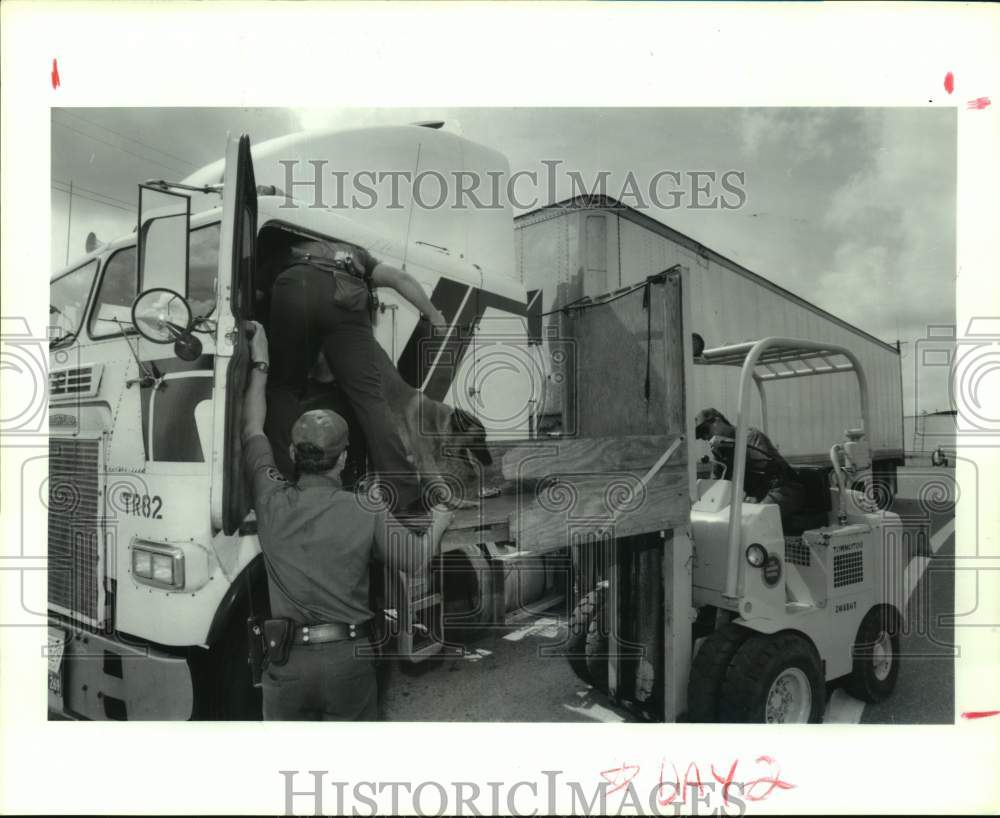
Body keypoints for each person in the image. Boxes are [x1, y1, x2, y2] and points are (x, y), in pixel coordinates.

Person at [242, 321, 453, 720]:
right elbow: (416, 559)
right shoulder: (366, 510)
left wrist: (261, 362)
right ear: (341, 460)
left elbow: (252, 425)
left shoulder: (269, 497)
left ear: (291, 450)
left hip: (286, 665)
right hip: (349, 664)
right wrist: (440, 518)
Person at [265, 235, 447, 521]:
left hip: (296, 285)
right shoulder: (357, 254)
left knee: (283, 388)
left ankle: (286, 484)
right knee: (370, 399)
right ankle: (406, 496)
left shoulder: (290, 241)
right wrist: (434, 314)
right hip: (348, 294)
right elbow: (401, 278)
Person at [695, 407, 805, 523]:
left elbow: (764, 466)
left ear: (717, 421)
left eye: (705, 431)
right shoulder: (719, 449)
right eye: (702, 436)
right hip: (755, 494)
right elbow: (717, 481)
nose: (706, 437)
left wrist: (729, 444)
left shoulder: (750, 436)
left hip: (782, 489)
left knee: (754, 520)